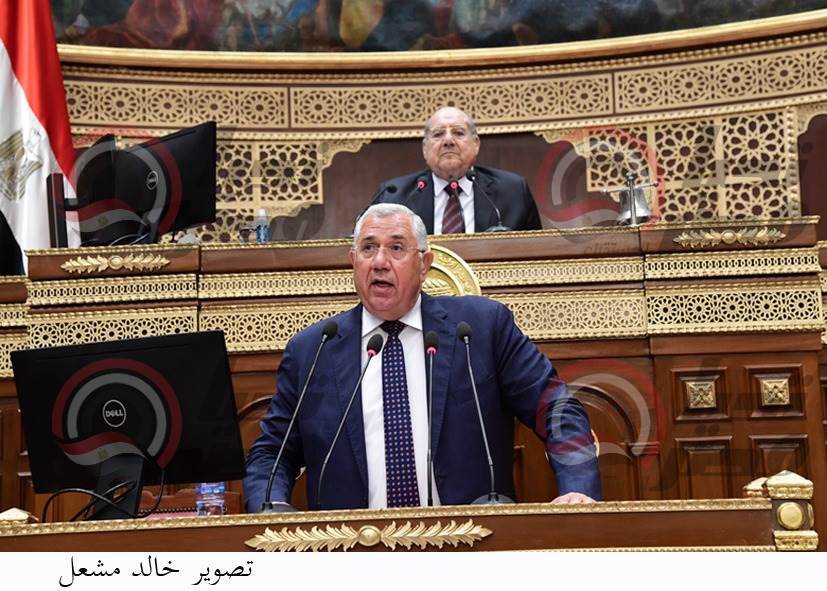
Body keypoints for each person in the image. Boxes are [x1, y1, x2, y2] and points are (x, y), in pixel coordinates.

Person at [243, 203, 600, 512]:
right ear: (353, 261)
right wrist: (270, 512)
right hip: (353, 551)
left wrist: (577, 489)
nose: (379, 262)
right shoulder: (313, 349)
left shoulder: (481, 329)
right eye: (368, 248)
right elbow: (271, 454)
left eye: (396, 248)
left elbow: (557, 409)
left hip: (472, 543)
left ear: (424, 263)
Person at [371, 107, 542, 234]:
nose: (448, 141)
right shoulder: (394, 196)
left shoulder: (513, 191)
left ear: (476, 144)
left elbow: (535, 253)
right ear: (424, 149)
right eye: (438, 134)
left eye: (458, 133)